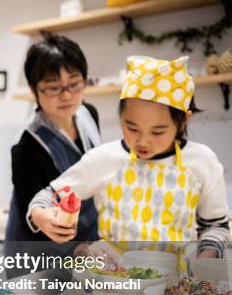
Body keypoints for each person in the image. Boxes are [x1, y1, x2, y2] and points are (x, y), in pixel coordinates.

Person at [28, 55, 229, 261]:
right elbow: (47, 197)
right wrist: (40, 215)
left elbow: (216, 226)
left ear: (183, 121)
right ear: (121, 117)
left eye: (158, 132)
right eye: (131, 127)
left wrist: (206, 258)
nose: (143, 141)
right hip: (114, 282)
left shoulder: (203, 161)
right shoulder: (104, 159)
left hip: (177, 286)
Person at [5, 34, 101, 251]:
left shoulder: (88, 114)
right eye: (53, 87)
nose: (66, 95)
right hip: (39, 253)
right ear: (34, 90)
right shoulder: (27, 144)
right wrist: (42, 217)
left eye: (74, 84)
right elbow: (31, 211)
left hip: (86, 240)